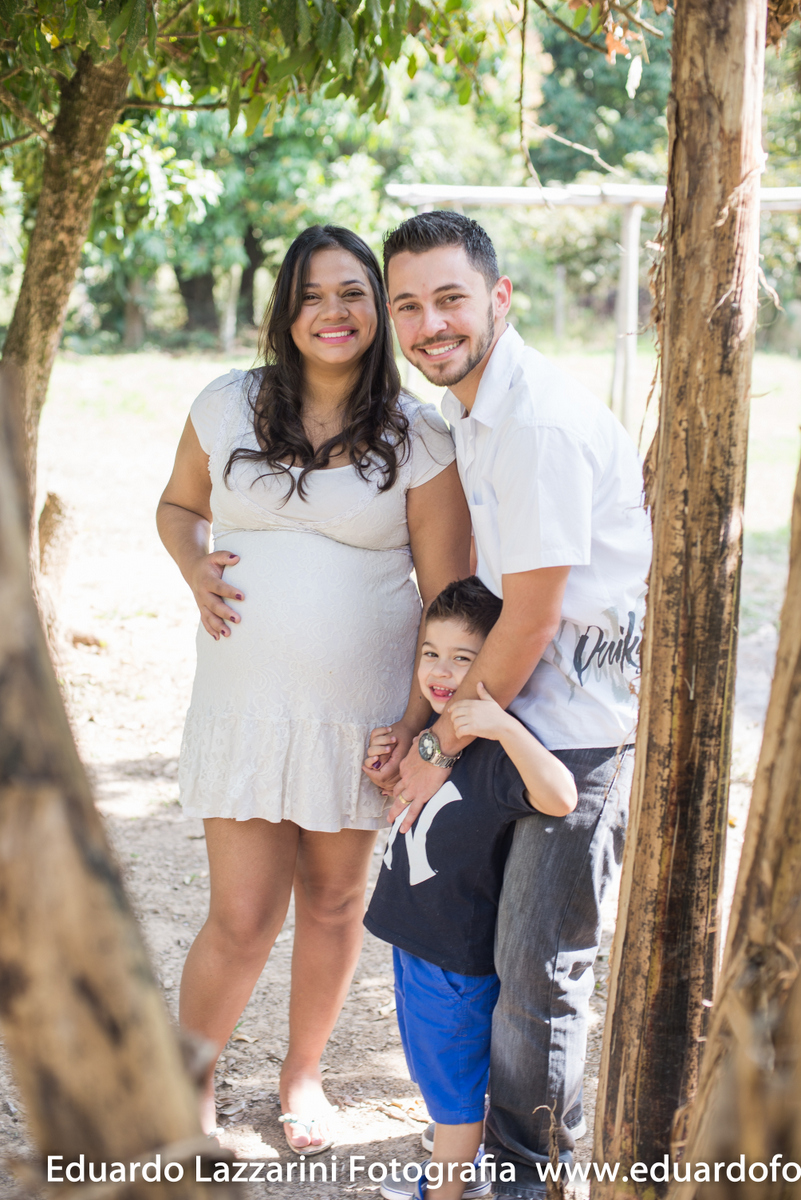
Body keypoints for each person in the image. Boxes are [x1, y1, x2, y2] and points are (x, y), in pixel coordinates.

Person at [156, 224, 470, 1148]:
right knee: (242, 913)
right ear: (284, 310)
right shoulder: (225, 405)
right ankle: (191, 1087)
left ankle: (302, 1081)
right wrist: (191, 565)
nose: (331, 312)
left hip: (362, 713)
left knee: (334, 903)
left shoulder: (418, 435)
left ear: (377, 310)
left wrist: (414, 726)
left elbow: (448, 594)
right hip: (247, 710)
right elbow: (179, 507)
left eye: (352, 294)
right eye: (311, 295)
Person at [364, 211, 652, 1197]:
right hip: (511, 715)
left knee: (539, 978)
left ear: (500, 298)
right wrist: (426, 724)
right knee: (480, 955)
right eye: (409, 305)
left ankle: (531, 1181)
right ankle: (479, 1159)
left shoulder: (529, 424)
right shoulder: (471, 415)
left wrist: (436, 749)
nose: (430, 323)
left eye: (451, 298)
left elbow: (527, 620)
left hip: (570, 737)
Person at [363, 577, 577, 1200]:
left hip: (455, 961)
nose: (442, 670)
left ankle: (447, 1192)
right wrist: (388, 764)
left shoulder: (495, 746)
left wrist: (504, 728)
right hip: (414, 940)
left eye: (464, 658)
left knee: (455, 1098)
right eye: (432, 652)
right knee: (437, 1081)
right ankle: (454, 1171)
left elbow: (562, 796)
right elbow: (426, 815)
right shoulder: (435, 738)